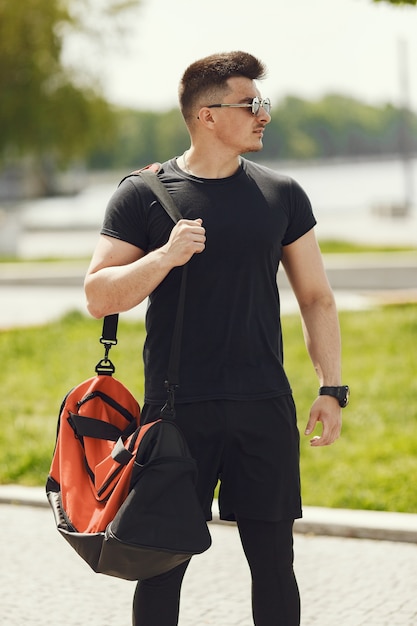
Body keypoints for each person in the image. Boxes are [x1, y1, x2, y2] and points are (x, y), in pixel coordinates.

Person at [84, 50, 347, 626]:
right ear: (207, 115)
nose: (264, 116)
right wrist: (164, 256)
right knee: (160, 566)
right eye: (252, 104)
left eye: (263, 103)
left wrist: (333, 387)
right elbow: (100, 295)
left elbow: (316, 298)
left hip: (263, 406)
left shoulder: (283, 195)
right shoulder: (142, 194)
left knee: (275, 565)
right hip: (176, 415)